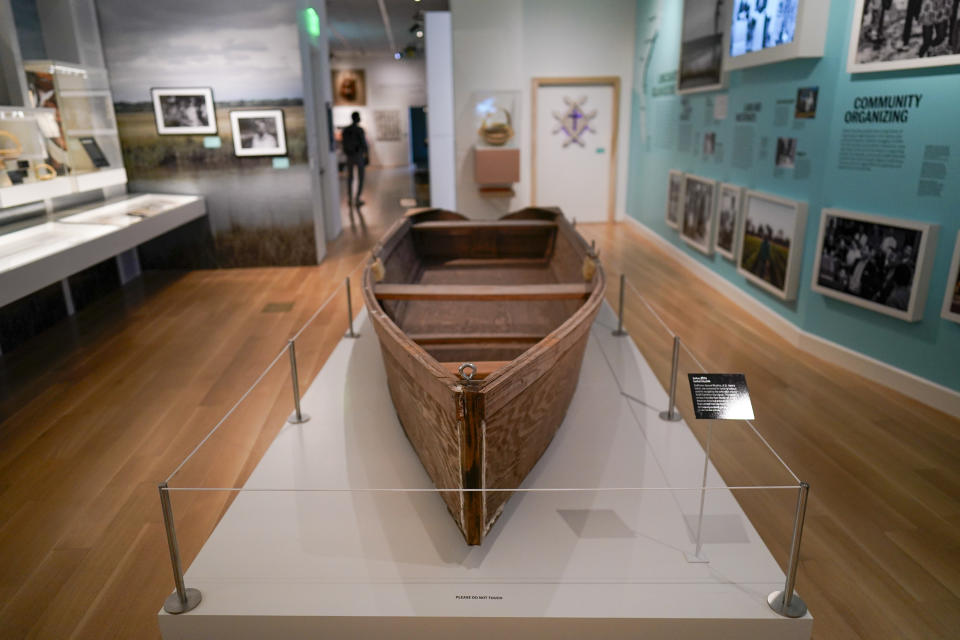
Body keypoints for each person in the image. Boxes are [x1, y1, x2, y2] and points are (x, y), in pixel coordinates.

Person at [341, 111, 369, 208]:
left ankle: (350, 198)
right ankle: (357, 198)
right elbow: (364, 144)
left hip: (350, 156)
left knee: (350, 178)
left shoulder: (346, 130)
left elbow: (343, 144)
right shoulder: (359, 130)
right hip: (358, 155)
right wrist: (367, 155)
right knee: (360, 177)